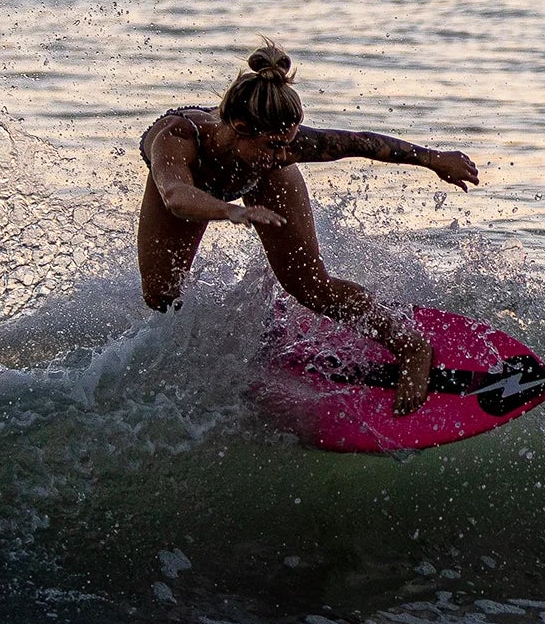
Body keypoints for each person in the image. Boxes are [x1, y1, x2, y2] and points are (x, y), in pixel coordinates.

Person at [138, 43, 480, 415]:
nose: (285, 154)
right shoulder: (178, 137)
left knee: (311, 286)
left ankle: (412, 347)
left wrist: (433, 159)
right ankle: (234, 337)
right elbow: (176, 195)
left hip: (262, 183)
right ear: (239, 127)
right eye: (274, 146)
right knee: (160, 295)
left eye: (289, 144)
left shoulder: (277, 150)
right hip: (193, 185)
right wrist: (228, 211)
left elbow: (360, 142)